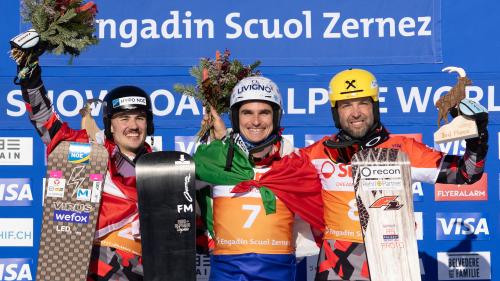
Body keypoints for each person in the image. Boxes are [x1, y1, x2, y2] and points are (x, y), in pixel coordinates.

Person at [299, 68, 488, 280]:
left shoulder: (403, 150)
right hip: (338, 267)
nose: (355, 113)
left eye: (363, 103)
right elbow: (272, 171)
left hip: (392, 262)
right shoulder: (317, 153)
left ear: (375, 106)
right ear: (336, 112)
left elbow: (466, 174)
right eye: (346, 105)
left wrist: (476, 139)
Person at [12, 45, 154, 280]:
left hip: (145, 268)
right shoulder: (90, 149)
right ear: (110, 124)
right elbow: (48, 126)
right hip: (99, 264)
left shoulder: (161, 166)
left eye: (140, 118)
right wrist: (31, 80)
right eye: (124, 118)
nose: (133, 126)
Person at [194, 76, 324, 281]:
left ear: (276, 117)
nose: (255, 121)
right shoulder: (215, 159)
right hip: (226, 274)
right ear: (236, 118)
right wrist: (217, 142)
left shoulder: (295, 164)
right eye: (247, 113)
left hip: (281, 272)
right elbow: (179, 200)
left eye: (264, 113)